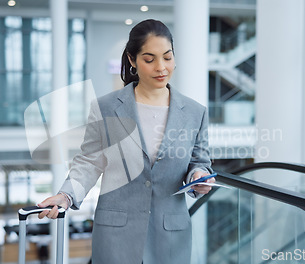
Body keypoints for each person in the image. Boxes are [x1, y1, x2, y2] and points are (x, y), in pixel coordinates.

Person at [37, 19, 215, 264]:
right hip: (116, 236)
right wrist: (66, 196)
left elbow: (199, 163)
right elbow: (90, 162)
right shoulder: (107, 107)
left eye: (167, 57)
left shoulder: (196, 112)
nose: (161, 67)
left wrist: (198, 177)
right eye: (149, 59)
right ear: (132, 60)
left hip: (170, 239)